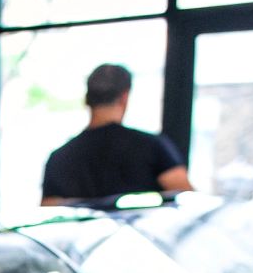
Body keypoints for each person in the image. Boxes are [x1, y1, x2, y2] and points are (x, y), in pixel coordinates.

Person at [41, 64, 193, 207]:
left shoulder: (59, 158)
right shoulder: (152, 146)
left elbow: (48, 214)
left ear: (87, 98)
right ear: (124, 97)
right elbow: (187, 200)